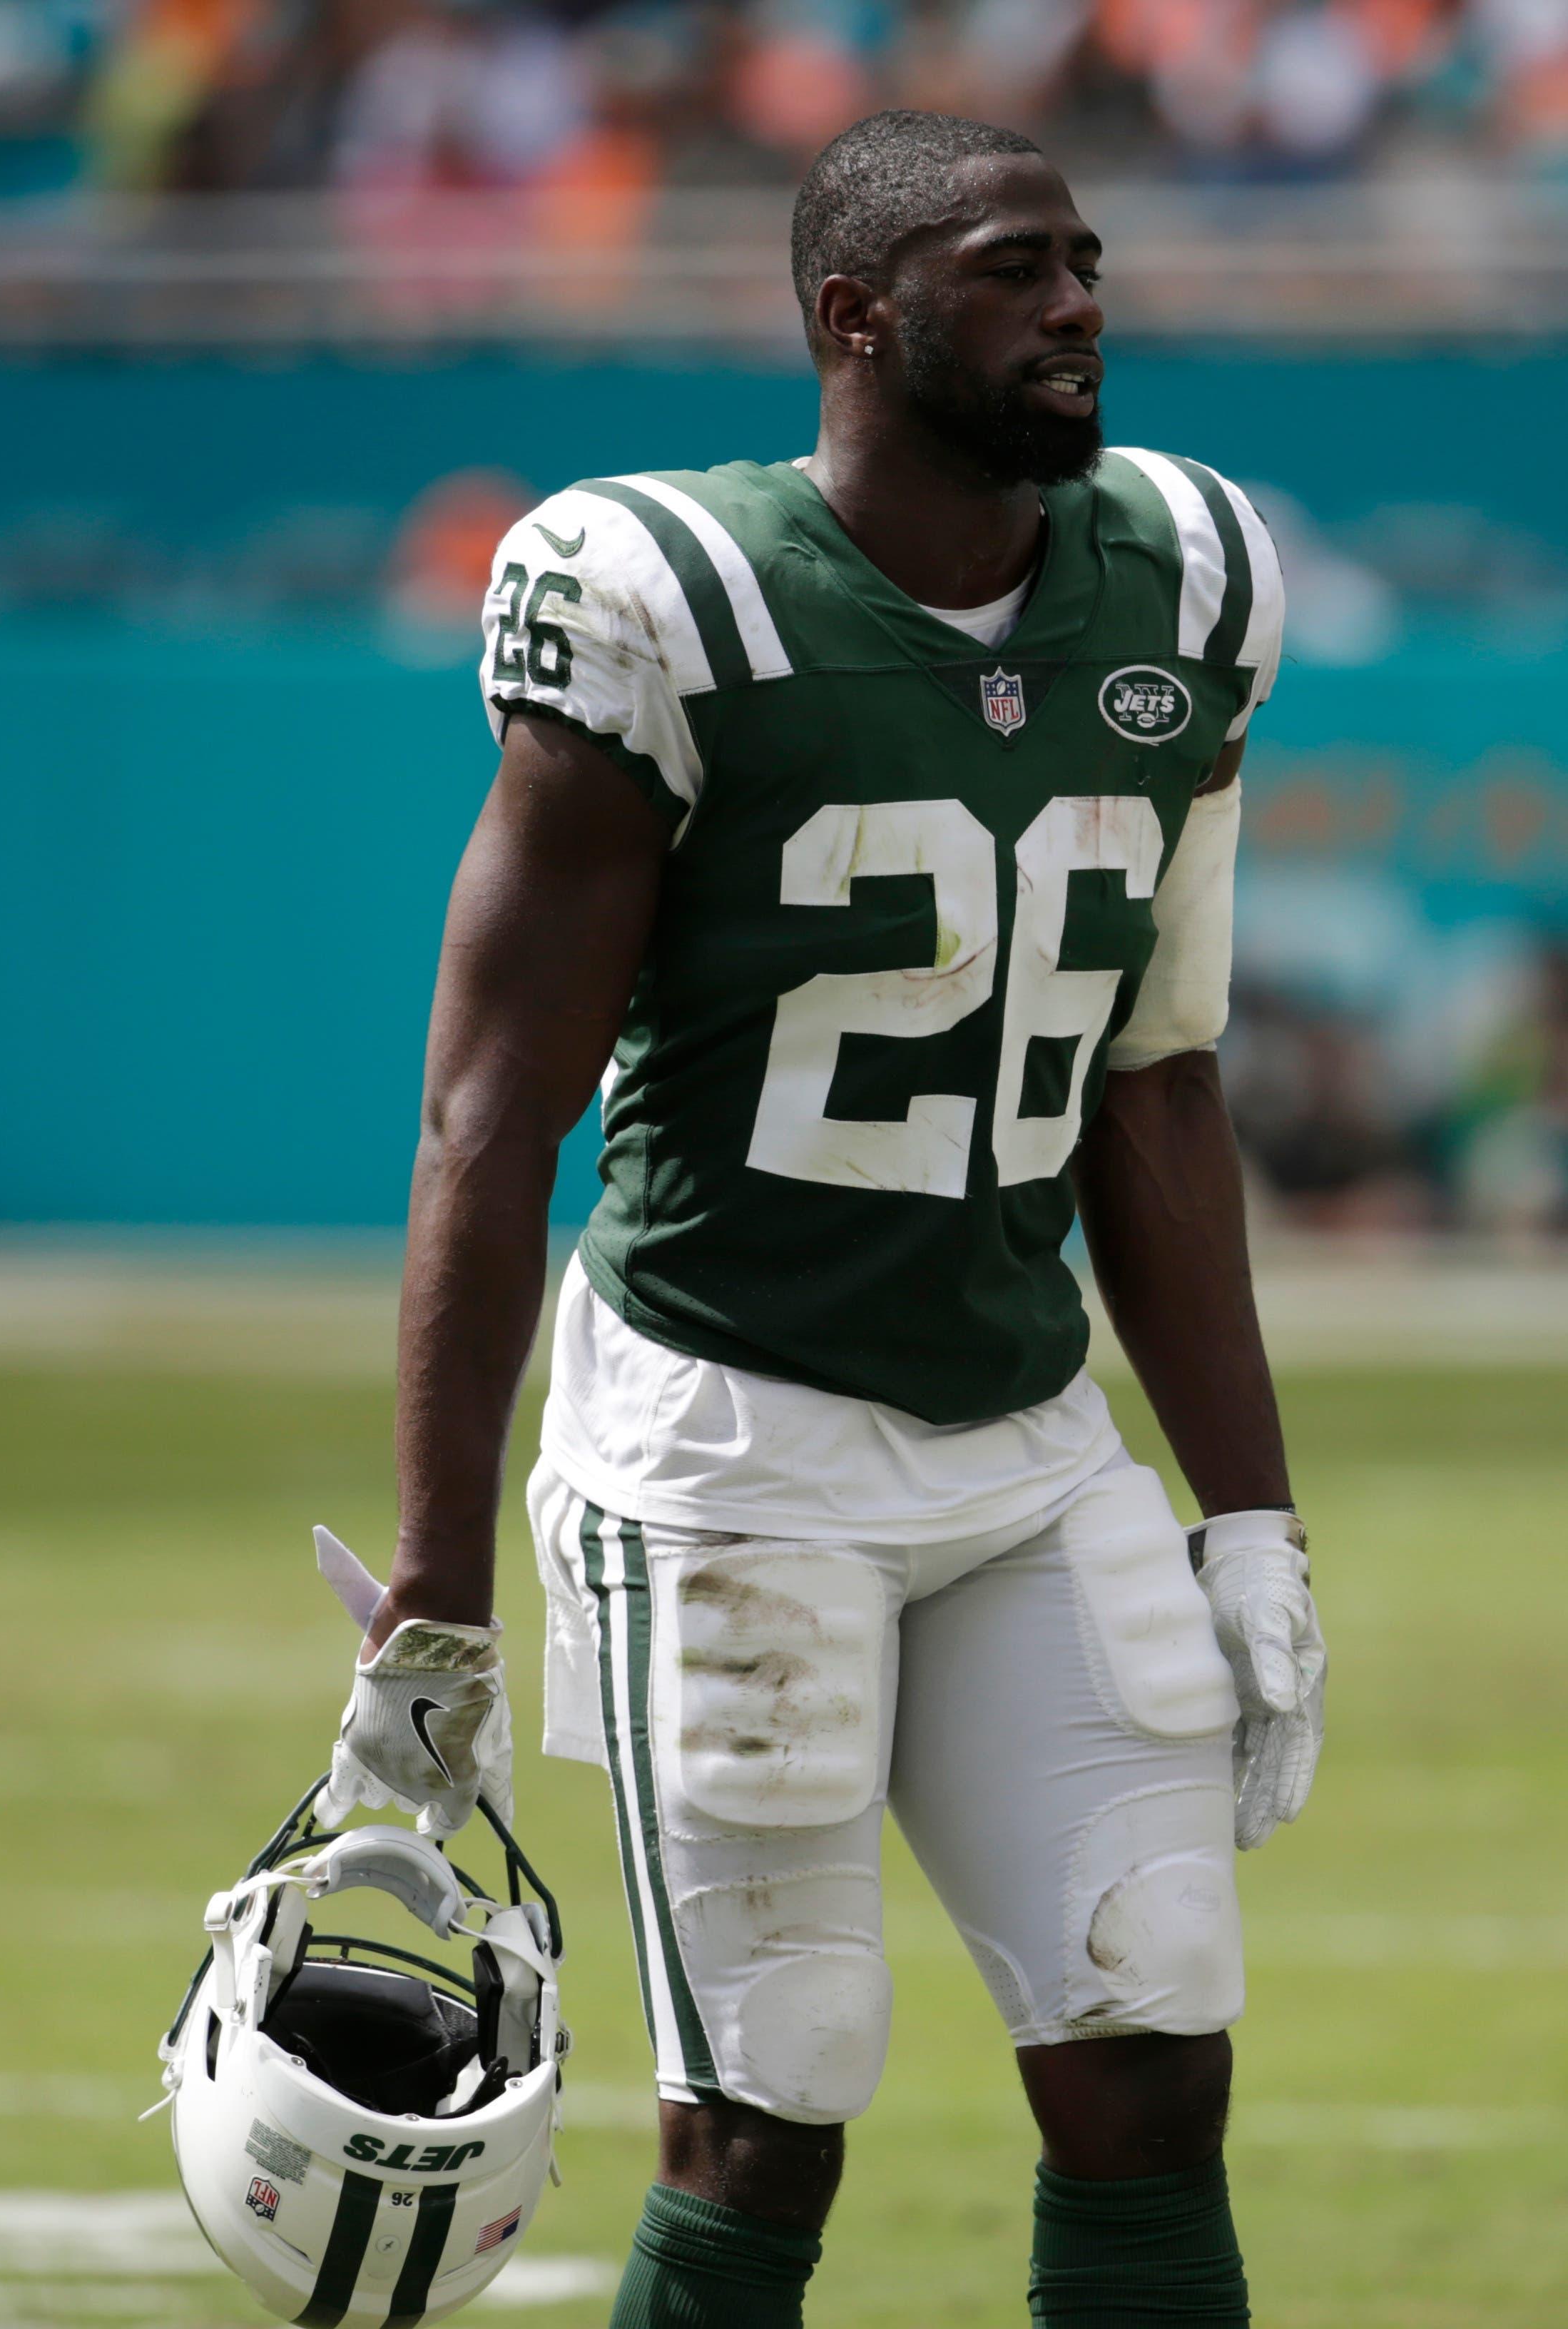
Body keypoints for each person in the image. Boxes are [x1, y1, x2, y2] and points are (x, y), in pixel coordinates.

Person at [317, 107, 1327, 2328]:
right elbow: (492, 1124)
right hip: (724, 1444)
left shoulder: (1187, 575)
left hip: (1019, 1426)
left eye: (1084, 260)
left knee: (1151, 2048)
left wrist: (1244, 1513)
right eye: (1011, 270)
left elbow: (1150, 1080)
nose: (1076, 305)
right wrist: (432, 1590)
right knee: (769, 2100)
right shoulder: (668, 597)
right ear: (855, 319)